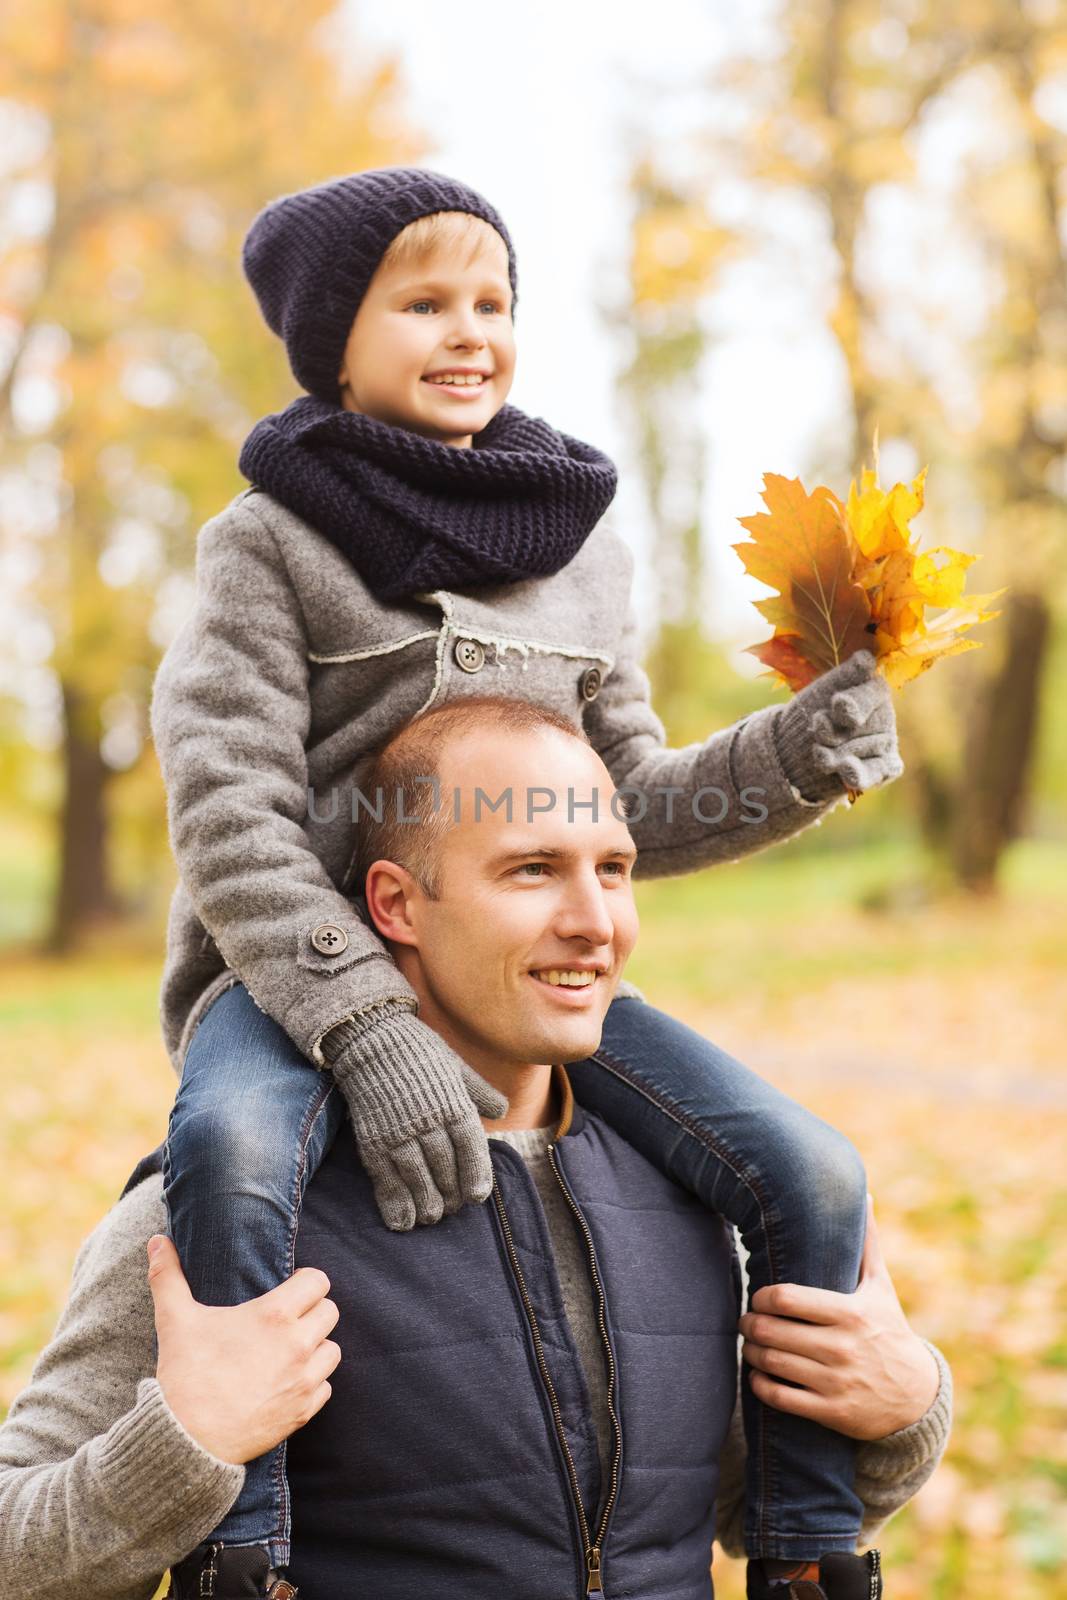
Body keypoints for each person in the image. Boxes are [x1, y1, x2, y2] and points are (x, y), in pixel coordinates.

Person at [148, 166, 908, 1594]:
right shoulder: (266, 548)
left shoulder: (576, 550)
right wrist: (364, 1028)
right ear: (333, 341)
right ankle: (241, 1549)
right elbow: (230, 814)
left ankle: (807, 1547)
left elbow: (627, 803)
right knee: (233, 1157)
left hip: (507, 980)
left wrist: (801, 748)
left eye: (492, 301)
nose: (468, 330)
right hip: (297, 984)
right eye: (422, 301)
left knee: (809, 1171)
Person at [0, 701, 950, 1600]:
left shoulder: (695, 1184)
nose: (595, 922)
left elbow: (738, 1511)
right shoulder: (230, 1209)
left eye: (612, 869)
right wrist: (185, 1442)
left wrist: (902, 1408)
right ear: (396, 905)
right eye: (532, 869)